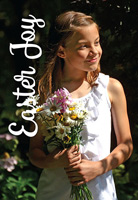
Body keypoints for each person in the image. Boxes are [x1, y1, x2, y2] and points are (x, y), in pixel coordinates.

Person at [29, 11, 133, 200]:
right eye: (84, 46)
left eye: (97, 42)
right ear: (61, 51)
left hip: (100, 192)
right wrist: (52, 161)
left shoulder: (111, 88)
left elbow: (126, 145)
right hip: (54, 193)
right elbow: (34, 151)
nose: (94, 51)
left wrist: (99, 167)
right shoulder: (47, 95)